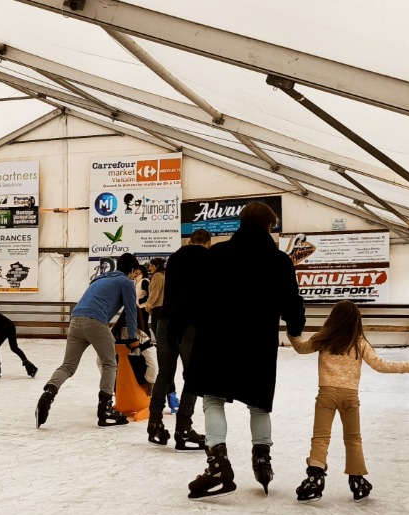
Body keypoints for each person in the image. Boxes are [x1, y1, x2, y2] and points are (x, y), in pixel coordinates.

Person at [180, 202, 305, 499]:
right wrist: (296, 328)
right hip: (256, 343)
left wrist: (193, 327)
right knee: (259, 403)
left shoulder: (218, 254)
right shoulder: (279, 261)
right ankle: (262, 459)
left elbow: (196, 297)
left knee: (212, 399)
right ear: (269, 227)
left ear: (240, 223)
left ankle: (218, 463)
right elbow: (292, 303)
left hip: (215, 339)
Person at [288, 301, 409, 502]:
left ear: (333, 318)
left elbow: (301, 348)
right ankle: (357, 480)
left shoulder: (323, 338)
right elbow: (381, 365)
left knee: (320, 437)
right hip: (350, 397)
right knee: (353, 438)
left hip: (326, 395)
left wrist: (292, 333)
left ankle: (314, 479)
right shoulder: (359, 342)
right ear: (356, 321)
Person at [36, 253, 141, 428]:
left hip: (76, 320)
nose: (134, 277)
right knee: (109, 364)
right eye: (135, 273)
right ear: (131, 270)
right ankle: (105, 409)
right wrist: (133, 338)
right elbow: (131, 313)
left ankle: (49, 391)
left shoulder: (99, 279)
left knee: (68, 366)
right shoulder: (126, 283)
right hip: (96, 321)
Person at [145, 229, 211, 451]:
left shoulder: (174, 257)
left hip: (165, 320)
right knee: (193, 375)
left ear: (190, 241)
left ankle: (154, 421)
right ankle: (183, 426)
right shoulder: (208, 258)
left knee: (165, 373)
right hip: (190, 323)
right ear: (208, 243)